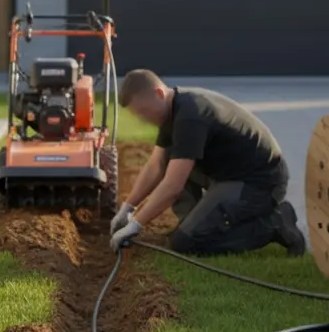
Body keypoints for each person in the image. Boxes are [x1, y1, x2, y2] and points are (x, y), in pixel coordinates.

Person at [106, 69, 307, 257]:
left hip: (259, 182)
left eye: (144, 111)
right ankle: (192, 224)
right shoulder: (172, 108)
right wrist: (128, 208)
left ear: (159, 93)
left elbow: (172, 187)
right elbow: (156, 165)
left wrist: (136, 225)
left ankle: (275, 224)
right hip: (228, 173)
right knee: (170, 159)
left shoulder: (190, 117)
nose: (143, 119)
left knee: (187, 243)